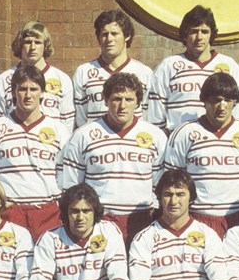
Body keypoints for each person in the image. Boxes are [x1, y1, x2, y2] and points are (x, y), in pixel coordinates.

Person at [59, 72, 166, 244]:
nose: (122, 105)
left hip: (141, 219)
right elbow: (72, 187)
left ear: (138, 102)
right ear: (106, 99)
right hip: (100, 220)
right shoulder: (83, 135)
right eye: (116, 99)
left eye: (129, 99)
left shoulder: (155, 136)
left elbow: (159, 183)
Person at [162, 72, 239, 236]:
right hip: (198, 217)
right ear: (204, 101)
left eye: (228, 100)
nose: (222, 107)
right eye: (216, 100)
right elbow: (173, 180)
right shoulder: (185, 132)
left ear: (235, 102)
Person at [0, 65, 71, 241]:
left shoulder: (59, 130)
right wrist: (1, 205)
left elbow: (65, 177)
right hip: (10, 211)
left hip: (48, 212)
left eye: (34, 89)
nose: (28, 95)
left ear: (42, 93)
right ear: (14, 92)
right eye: (22, 89)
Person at [146, 5, 239, 133]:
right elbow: (156, 111)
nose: (199, 37)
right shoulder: (168, 65)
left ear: (212, 34)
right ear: (185, 35)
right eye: (193, 31)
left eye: (205, 31)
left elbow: (237, 107)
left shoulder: (229, 65)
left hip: (217, 138)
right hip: (178, 137)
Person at [72, 9, 153, 127]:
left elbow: (148, 117)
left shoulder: (144, 72)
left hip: (133, 137)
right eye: (104, 34)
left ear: (127, 36)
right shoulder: (83, 72)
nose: (109, 39)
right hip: (96, 136)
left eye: (114, 34)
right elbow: (81, 119)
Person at [0, 21, 75, 130]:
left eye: (37, 42)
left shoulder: (61, 79)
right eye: (28, 42)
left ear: (45, 45)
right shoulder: (3, 80)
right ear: (20, 45)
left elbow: (67, 123)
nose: (33, 47)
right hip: (13, 138)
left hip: (49, 138)